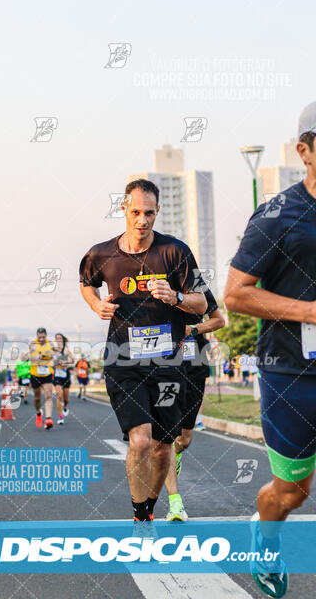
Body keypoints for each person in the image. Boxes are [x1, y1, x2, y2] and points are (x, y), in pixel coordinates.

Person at [224, 102, 316, 598]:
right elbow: (236, 293)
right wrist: (310, 311)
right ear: (305, 150)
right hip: (292, 376)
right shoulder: (278, 215)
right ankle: (267, 533)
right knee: (291, 493)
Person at [79, 178, 207, 523]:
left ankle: (149, 504)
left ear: (158, 211)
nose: (142, 220)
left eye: (149, 213)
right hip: (123, 361)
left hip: (168, 363)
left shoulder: (175, 252)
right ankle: (140, 514)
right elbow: (86, 282)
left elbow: (202, 303)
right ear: (123, 209)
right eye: (135, 212)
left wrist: (176, 297)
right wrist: (95, 305)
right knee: (139, 441)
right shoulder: (102, 253)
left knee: (163, 446)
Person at [164, 288, 225, 521]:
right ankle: (175, 502)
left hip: (195, 364)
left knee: (184, 439)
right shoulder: (153, 285)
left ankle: (176, 456)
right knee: (167, 436)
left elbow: (219, 320)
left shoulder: (198, 287)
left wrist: (192, 329)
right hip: (164, 365)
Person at [28, 327, 54, 429]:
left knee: (48, 395)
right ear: (37, 336)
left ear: (46, 335)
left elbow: (53, 355)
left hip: (46, 373)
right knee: (37, 398)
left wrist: (45, 355)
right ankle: (38, 413)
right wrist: (36, 357)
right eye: (39, 337)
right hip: (35, 374)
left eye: (43, 337)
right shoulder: (32, 344)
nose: (41, 339)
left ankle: (48, 419)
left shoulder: (50, 344)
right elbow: (28, 357)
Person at [52, 333, 74, 424]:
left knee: (66, 399)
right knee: (59, 395)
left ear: (63, 339)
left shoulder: (66, 350)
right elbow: (50, 360)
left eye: (60, 338)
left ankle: (65, 406)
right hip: (57, 375)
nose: (58, 340)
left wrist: (66, 362)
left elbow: (73, 360)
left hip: (65, 375)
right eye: (57, 338)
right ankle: (60, 417)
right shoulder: (53, 350)